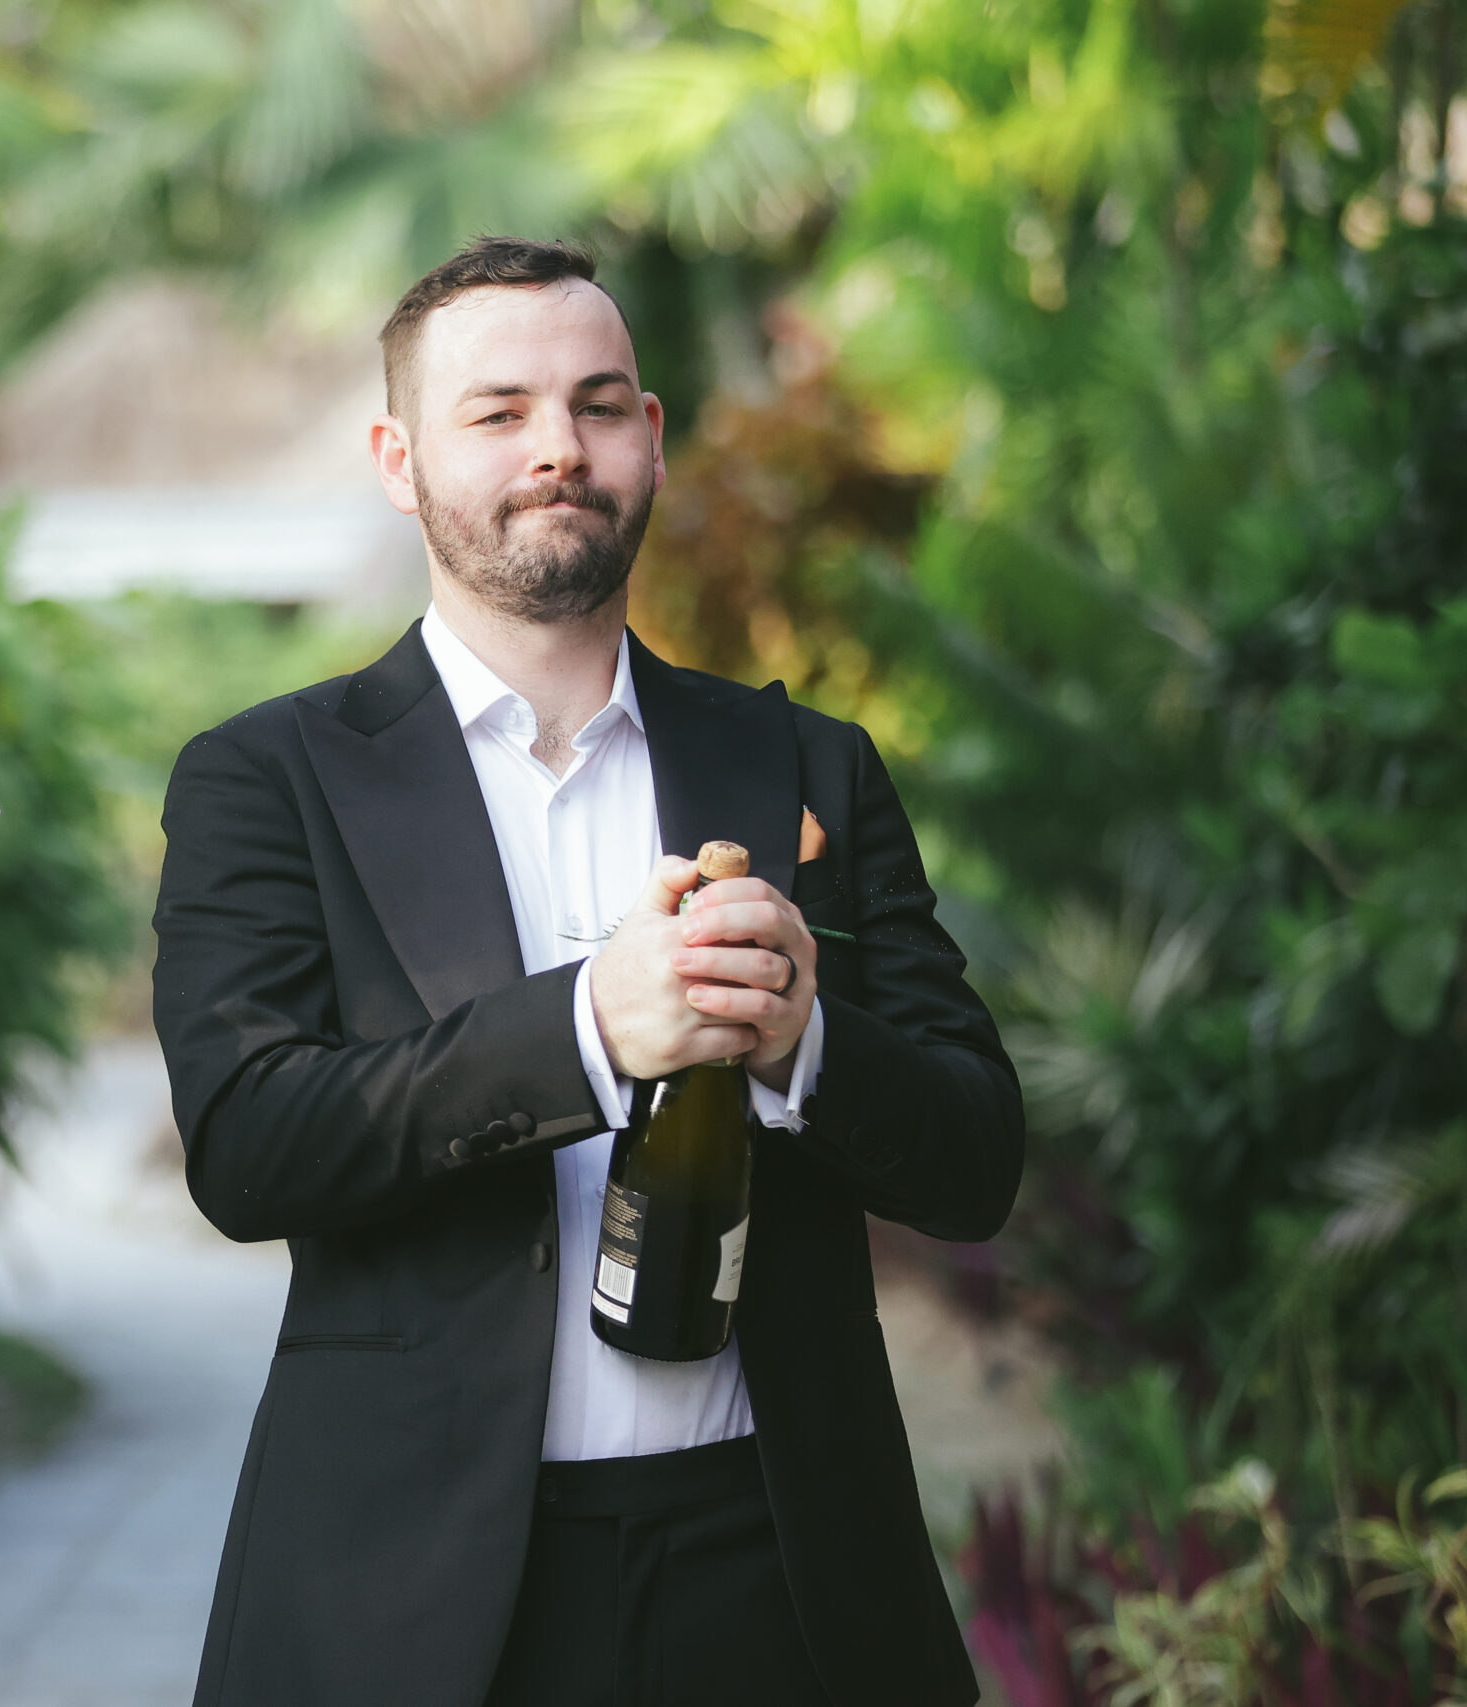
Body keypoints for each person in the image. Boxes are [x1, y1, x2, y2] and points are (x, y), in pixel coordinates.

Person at [151, 237, 1023, 1706]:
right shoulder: (265, 778)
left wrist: (804, 1042)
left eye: (599, 405)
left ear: (652, 441)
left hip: (782, 1573)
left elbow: (975, 1159)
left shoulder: (809, 766)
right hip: (415, 1598)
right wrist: (585, 1030)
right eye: (497, 413)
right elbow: (249, 1147)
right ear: (397, 456)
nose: (558, 448)